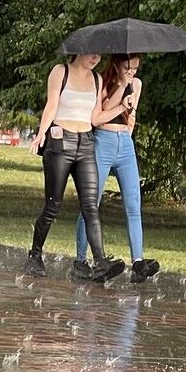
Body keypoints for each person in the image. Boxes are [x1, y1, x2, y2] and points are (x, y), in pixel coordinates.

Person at [24, 54, 125, 282]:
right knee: (53, 206)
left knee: (91, 206)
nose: (95, 58)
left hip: (86, 144)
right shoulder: (61, 71)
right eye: (91, 53)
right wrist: (41, 134)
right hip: (60, 142)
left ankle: (100, 262)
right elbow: (51, 105)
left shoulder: (97, 79)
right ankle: (35, 255)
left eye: (99, 54)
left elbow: (96, 117)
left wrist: (121, 107)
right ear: (79, 50)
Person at [72, 53, 160, 283]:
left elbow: (131, 115)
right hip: (103, 141)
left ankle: (138, 262)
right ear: (117, 65)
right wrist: (122, 87)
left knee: (133, 204)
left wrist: (128, 134)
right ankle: (81, 260)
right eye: (128, 68)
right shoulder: (102, 81)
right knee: (92, 204)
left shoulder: (136, 84)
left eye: (136, 69)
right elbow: (97, 117)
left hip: (124, 144)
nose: (132, 73)